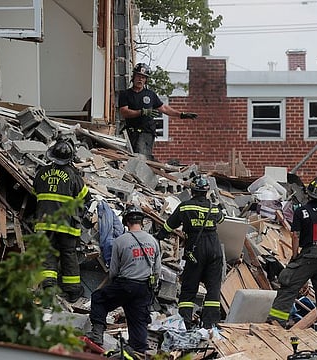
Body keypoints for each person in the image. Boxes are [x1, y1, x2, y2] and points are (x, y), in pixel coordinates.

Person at [267, 176, 317, 336]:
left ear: (309, 193)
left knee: (288, 286)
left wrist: (294, 256)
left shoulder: (301, 211)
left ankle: (275, 324)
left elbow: (295, 235)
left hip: (309, 255)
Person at [87, 204, 161, 355]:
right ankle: (137, 350)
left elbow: (114, 270)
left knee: (98, 298)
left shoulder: (120, 241)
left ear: (126, 222)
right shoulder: (153, 241)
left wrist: (115, 285)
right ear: (142, 222)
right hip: (144, 287)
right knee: (138, 319)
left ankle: (97, 334)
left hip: (125, 284)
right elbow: (157, 270)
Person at [156, 175, 225, 330]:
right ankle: (209, 324)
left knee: (189, 287)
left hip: (196, 249)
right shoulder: (213, 208)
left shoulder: (185, 207)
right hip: (214, 249)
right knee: (213, 287)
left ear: (192, 190)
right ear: (206, 191)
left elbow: (169, 225)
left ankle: (185, 321)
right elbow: (221, 219)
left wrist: (158, 238)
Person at [33, 137, 92, 303]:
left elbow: (34, 192)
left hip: (44, 222)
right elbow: (85, 197)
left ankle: (49, 287)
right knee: (68, 255)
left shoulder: (42, 172)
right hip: (66, 225)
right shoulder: (72, 175)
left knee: (48, 254)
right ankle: (73, 290)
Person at [118, 62, 198, 160]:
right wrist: (141, 112)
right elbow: (124, 112)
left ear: (146, 80)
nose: (140, 79)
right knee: (128, 158)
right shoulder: (125, 94)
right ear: (133, 77)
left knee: (142, 158)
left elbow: (164, 108)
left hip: (146, 132)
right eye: (138, 76)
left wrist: (181, 115)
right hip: (130, 132)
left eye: (143, 77)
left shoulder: (150, 94)